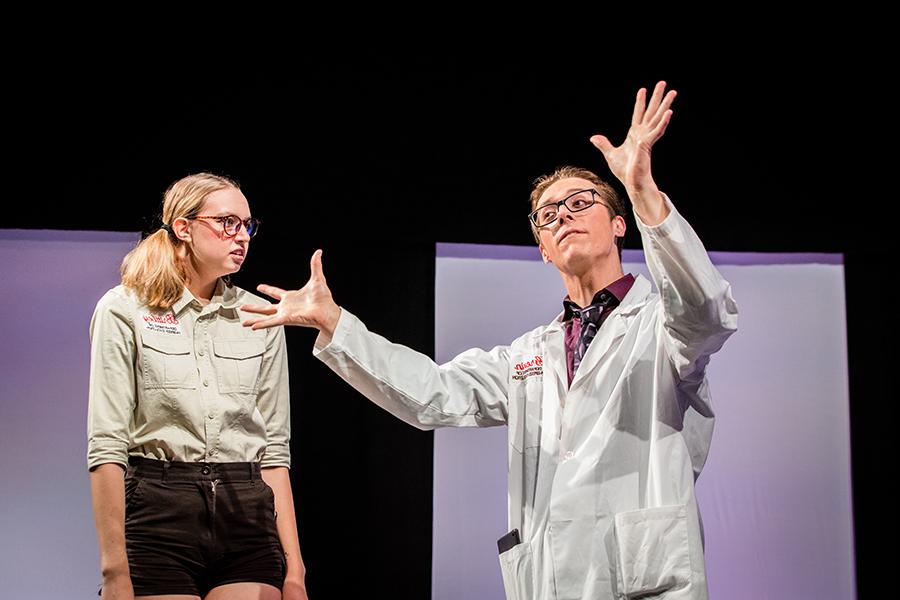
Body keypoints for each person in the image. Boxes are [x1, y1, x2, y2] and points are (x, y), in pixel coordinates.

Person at [242, 82, 738, 600]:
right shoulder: (527, 354)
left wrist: (641, 189)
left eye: (579, 201)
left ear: (619, 224)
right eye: (547, 214)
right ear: (543, 249)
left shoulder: (661, 325)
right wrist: (335, 321)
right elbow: (433, 394)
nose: (562, 214)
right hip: (551, 581)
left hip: (645, 577)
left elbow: (706, 310)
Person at [87, 173, 308, 599]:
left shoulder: (259, 315)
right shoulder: (124, 309)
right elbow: (106, 445)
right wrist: (115, 572)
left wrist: (295, 571)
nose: (241, 235)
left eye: (247, 225)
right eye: (227, 222)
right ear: (184, 228)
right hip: (159, 512)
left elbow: (274, 451)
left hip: (247, 511)